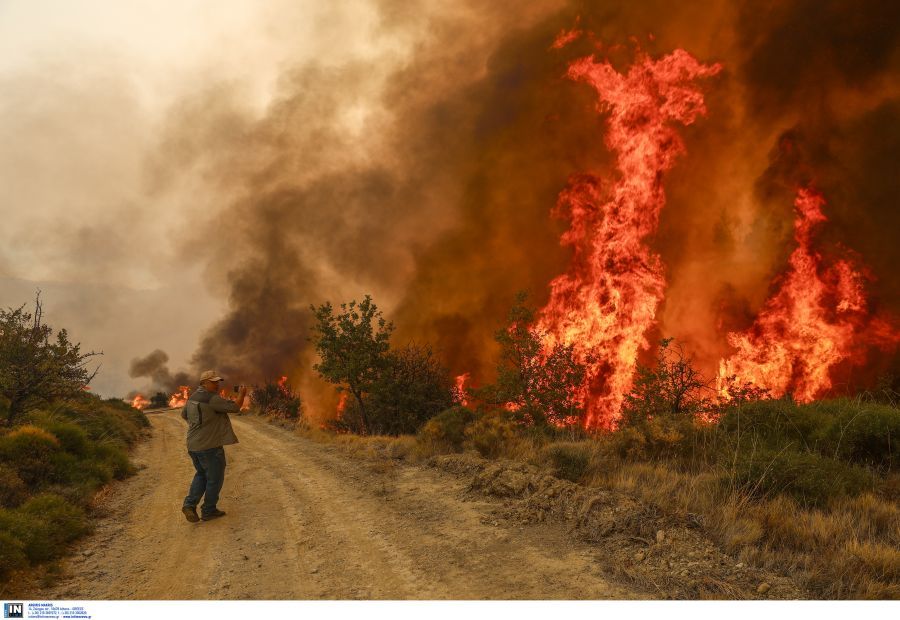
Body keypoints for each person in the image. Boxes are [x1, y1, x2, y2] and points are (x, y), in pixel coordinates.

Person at [180, 370, 247, 522]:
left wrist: (200, 426)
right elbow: (235, 407)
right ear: (204, 383)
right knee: (214, 478)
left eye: (218, 382)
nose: (217, 385)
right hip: (209, 447)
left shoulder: (192, 398)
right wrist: (242, 393)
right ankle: (209, 510)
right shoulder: (212, 399)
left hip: (193, 445)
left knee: (202, 474)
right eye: (213, 382)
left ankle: (189, 505)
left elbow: (184, 415)